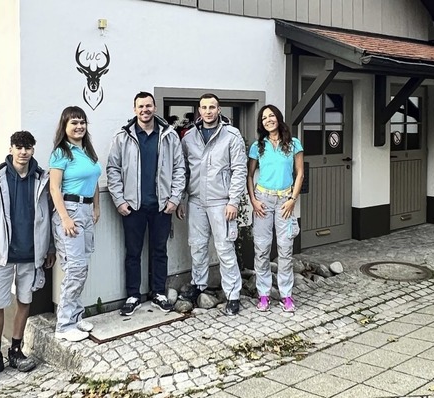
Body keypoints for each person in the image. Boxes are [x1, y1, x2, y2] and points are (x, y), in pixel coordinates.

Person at [0, 131, 56, 381]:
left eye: (28, 147)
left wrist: (49, 247)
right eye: (19, 147)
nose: (23, 152)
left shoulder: (42, 178)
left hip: (31, 254)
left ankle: (16, 351)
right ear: (11, 148)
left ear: (33, 150)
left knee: (25, 301)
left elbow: (47, 217)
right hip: (2, 255)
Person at [106, 92, 185, 316]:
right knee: (133, 252)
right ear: (134, 110)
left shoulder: (169, 136)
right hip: (133, 206)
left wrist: (174, 198)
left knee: (159, 251)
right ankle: (133, 295)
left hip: (162, 206)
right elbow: (112, 169)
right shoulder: (123, 137)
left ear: (155, 108)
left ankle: (158, 292)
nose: (145, 110)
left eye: (148, 106)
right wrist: (119, 200)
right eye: (140, 106)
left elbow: (179, 168)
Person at [177, 93, 247, 315]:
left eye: (212, 107)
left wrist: (233, 201)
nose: (208, 111)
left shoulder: (231, 135)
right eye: (204, 107)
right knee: (197, 246)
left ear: (219, 109)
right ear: (199, 110)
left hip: (221, 203)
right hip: (196, 201)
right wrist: (180, 198)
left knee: (225, 249)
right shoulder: (189, 137)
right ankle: (199, 285)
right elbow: (183, 171)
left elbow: (239, 170)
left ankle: (233, 294)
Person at [49, 106, 101, 342]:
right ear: (65, 126)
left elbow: (95, 180)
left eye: (82, 122)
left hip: (86, 209)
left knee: (83, 265)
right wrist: (65, 218)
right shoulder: (61, 152)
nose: (79, 126)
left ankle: (76, 316)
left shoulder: (87, 150)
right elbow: (54, 188)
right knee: (75, 268)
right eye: (74, 123)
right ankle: (64, 324)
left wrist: (96, 206)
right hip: (69, 210)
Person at [247, 105, 304, 312]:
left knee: (285, 249)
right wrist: (253, 200)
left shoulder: (293, 144)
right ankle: (263, 294)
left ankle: (286, 295)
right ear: (261, 124)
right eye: (264, 118)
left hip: (285, 202)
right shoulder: (258, 146)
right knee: (261, 249)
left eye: (271, 116)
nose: (268, 120)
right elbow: (250, 175)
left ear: (278, 118)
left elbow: (300, 174)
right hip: (263, 200)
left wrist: (293, 199)